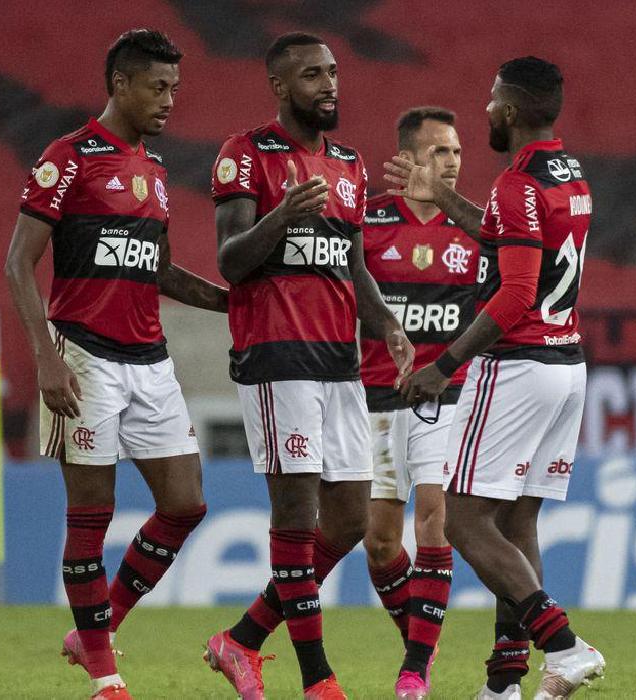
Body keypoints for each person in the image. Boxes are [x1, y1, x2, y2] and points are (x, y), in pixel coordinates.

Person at [3, 29, 227, 700]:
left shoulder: (152, 172)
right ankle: (106, 677)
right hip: (84, 356)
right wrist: (45, 357)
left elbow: (152, 268)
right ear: (121, 85)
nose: (168, 100)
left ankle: (95, 628)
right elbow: (18, 262)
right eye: (157, 87)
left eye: (174, 89)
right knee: (91, 514)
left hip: (150, 360)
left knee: (185, 504)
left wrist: (227, 301)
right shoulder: (68, 158)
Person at [202, 32, 414, 700]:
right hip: (276, 358)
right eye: (313, 75)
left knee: (350, 520)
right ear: (279, 85)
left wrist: (385, 324)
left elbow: (353, 267)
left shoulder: (349, 165)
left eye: (333, 73)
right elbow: (231, 261)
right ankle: (318, 681)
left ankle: (240, 639)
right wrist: (280, 219)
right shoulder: (248, 155)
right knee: (295, 518)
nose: (329, 86)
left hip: (338, 363)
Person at [387, 56, 606, 700]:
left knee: (461, 520)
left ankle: (563, 645)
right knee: (517, 526)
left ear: (510, 110)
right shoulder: (569, 176)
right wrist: (443, 197)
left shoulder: (517, 186)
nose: (484, 109)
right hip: (567, 367)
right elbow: (505, 238)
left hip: (517, 368)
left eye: (490, 99)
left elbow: (514, 292)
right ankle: (504, 685)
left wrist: (443, 366)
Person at [359, 106, 476, 699]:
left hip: (446, 395)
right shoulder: (369, 222)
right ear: (406, 159)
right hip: (375, 398)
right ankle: (421, 642)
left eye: (455, 151)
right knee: (379, 542)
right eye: (438, 151)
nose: (451, 162)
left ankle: (414, 674)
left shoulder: (476, 229)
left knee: (434, 512)